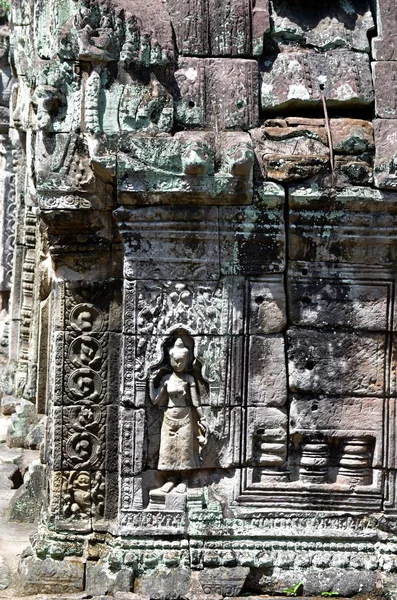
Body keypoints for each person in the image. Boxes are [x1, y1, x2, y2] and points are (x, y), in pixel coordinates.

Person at [150, 338, 206, 472]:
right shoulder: (166, 379)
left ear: (187, 360)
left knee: (185, 452)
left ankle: (184, 481)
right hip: (169, 419)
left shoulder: (189, 379)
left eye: (182, 360)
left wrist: (203, 418)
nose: (179, 363)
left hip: (185, 419)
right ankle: (169, 480)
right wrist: (150, 383)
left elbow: (195, 402)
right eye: (176, 360)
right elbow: (154, 400)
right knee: (167, 451)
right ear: (170, 359)